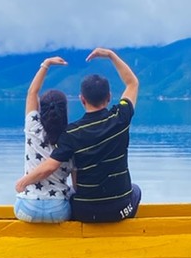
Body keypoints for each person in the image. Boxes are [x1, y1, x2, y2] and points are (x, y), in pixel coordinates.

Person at [14, 47, 140, 223]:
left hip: (86, 213)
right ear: (109, 96)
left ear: (82, 99)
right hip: (119, 209)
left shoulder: (72, 133)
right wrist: (111, 56)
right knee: (135, 190)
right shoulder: (120, 118)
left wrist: (23, 182)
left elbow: (50, 166)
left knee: (73, 196)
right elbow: (132, 83)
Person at [13, 56, 74, 223]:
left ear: (42, 109)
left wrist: (46, 64)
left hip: (26, 209)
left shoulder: (33, 127)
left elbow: (32, 92)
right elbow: (77, 186)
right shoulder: (73, 137)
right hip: (59, 212)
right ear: (65, 110)